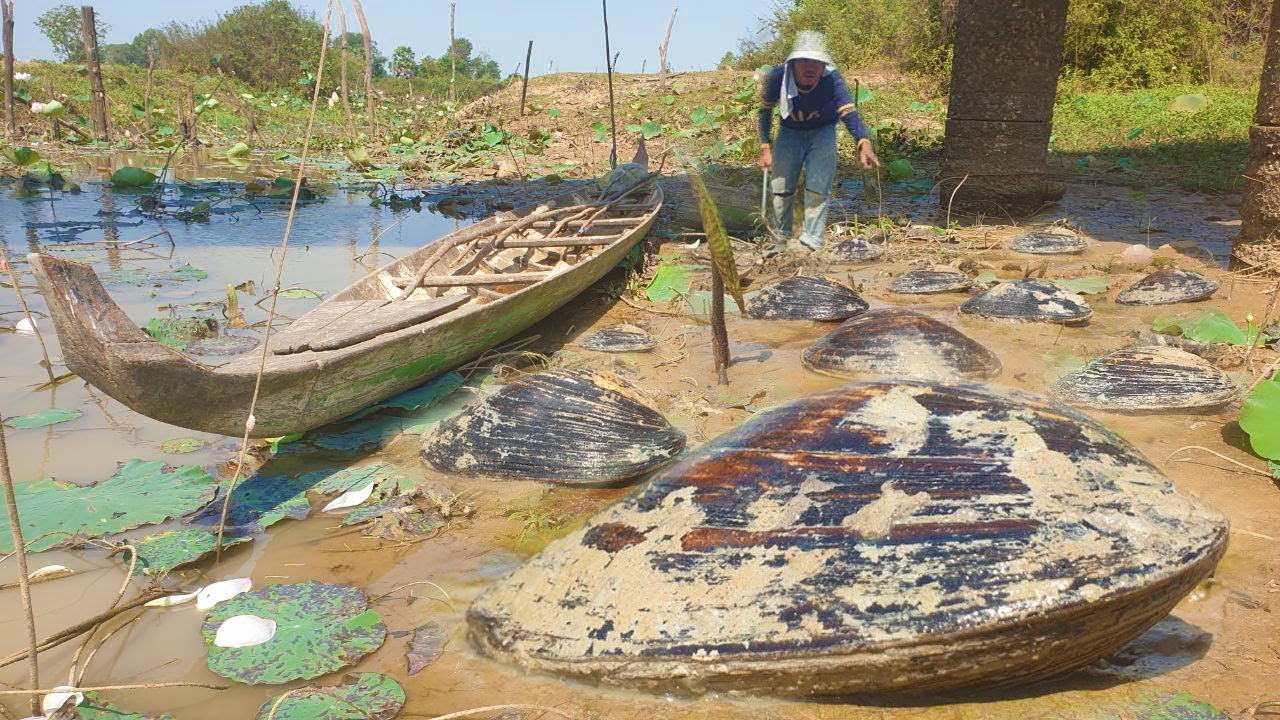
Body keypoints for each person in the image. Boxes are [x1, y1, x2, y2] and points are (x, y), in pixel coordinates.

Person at [758, 31, 879, 251]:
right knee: (781, 187)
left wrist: (864, 142)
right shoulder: (778, 77)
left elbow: (848, 112)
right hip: (789, 131)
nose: (810, 67)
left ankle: (812, 242)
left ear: (824, 66)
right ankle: (780, 238)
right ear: (792, 64)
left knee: (817, 186)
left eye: (816, 62)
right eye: (804, 61)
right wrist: (765, 146)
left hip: (823, 131)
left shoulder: (832, 80)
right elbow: (765, 112)